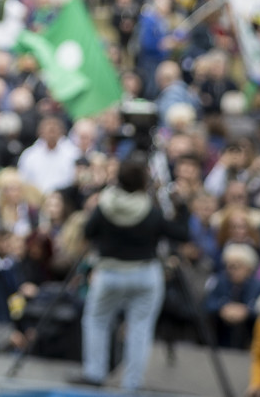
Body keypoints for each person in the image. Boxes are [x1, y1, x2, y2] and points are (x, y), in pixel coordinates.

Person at [75, 156, 189, 390]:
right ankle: (131, 384)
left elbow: (88, 231)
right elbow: (181, 234)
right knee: (140, 328)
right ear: (143, 183)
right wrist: (183, 207)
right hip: (145, 275)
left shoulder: (105, 206)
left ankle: (94, 374)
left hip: (109, 274)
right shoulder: (152, 211)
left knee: (96, 321)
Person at [210, 242, 260, 349]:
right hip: (222, 339)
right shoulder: (221, 281)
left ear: (249, 268)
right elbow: (208, 303)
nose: (233, 271)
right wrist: (223, 308)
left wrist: (247, 311)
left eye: (238, 267)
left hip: (250, 339)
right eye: (230, 267)